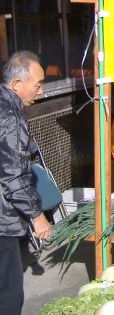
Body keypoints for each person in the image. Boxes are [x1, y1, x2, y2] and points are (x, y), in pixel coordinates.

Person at [0, 51, 51, 314]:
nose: (40, 91)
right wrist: (37, 216)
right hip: (2, 222)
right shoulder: (9, 116)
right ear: (17, 84)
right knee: (8, 294)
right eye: (38, 84)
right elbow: (13, 174)